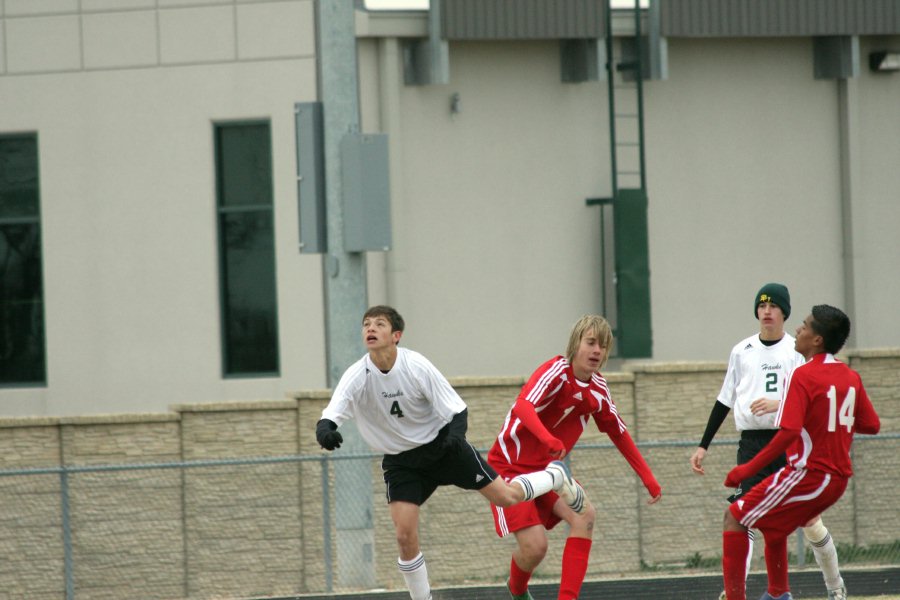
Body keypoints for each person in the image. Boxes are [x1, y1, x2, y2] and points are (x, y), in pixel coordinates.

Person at [315, 305, 584, 600]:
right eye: (366, 324)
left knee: (507, 496)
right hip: (402, 463)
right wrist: (326, 430)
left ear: (396, 335)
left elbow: (457, 409)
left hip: (444, 447)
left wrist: (455, 438)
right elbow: (332, 413)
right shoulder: (357, 375)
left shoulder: (416, 366)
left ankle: (554, 476)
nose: (371, 328)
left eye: (379, 324)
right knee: (404, 536)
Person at [487, 315, 662, 600]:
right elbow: (522, 407)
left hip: (546, 473)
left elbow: (619, 433)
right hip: (510, 467)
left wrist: (648, 476)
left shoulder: (599, 390)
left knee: (585, 515)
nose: (597, 351)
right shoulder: (555, 371)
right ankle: (517, 589)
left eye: (603, 346)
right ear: (575, 344)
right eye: (591, 342)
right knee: (535, 547)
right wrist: (547, 438)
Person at [690, 284, 848, 600]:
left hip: (788, 442)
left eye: (773, 305)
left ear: (784, 313)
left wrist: (779, 404)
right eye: (761, 305)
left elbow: (812, 396)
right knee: (741, 513)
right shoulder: (741, 351)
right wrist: (703, 445)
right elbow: (724, 400)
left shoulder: (797, 349)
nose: (766, 310)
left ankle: (835, 587)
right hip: (751, 444)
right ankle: (736, 590)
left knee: (809, 523)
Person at [720, 304, 880, 600]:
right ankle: (780, 594)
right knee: (776, 529)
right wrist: (830, 424)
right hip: (837, 480)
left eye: (805, 326)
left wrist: (746, 469)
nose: (798, 329)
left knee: (735, 517)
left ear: (817, 339)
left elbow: (789, 433)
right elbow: (871, 425)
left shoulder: (803, 375)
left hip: (810, 473)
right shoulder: (850, 377)